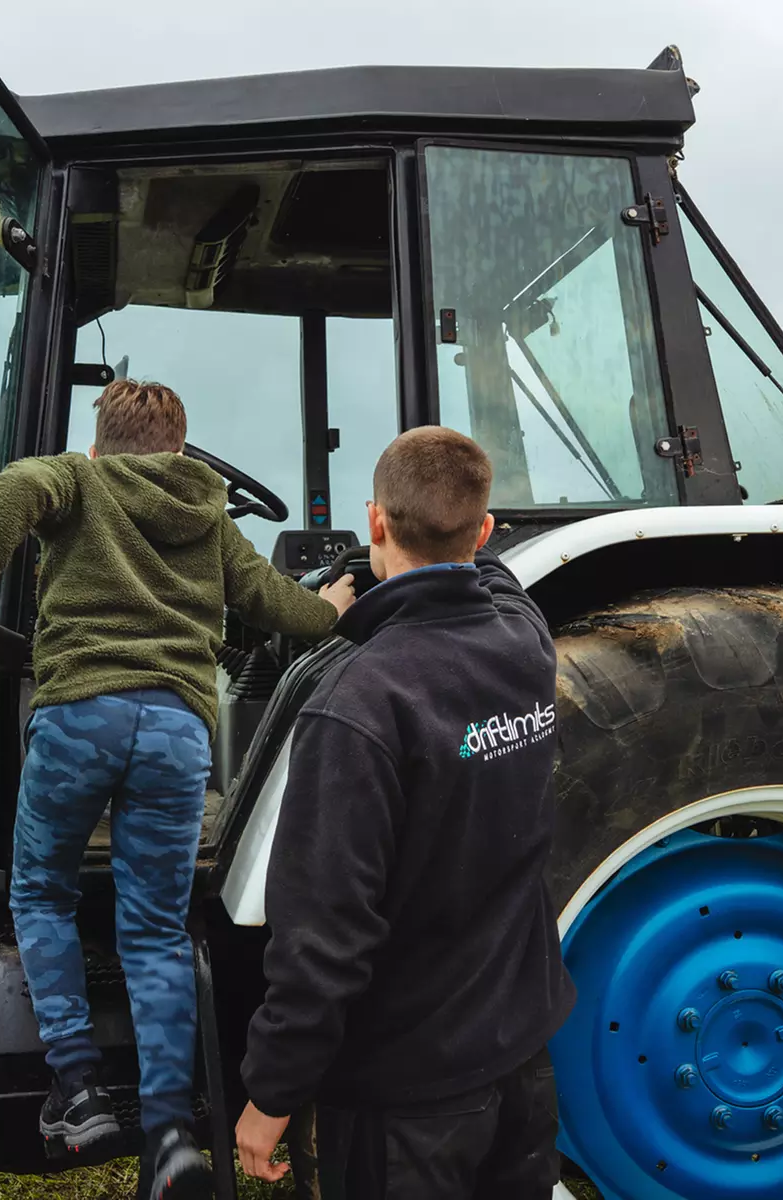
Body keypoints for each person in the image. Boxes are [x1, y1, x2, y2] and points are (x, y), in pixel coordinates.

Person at [0, 380, 355, 1198]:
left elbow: (17, 483)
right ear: (179, 449)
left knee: (42, 896)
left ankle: (78, 1090)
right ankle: (166, 1136)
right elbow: (270, 603)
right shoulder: (210, 514)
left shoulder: (78, 480)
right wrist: (328, 608)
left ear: (99, 444)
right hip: (175, 733)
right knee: (153, 929)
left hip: (81, 714)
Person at [232, 426, 574, 1199]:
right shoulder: (523, 642)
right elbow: (494, 582)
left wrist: (271, 1096)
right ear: (484, 531)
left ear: (375, 522)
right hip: (519, 1058)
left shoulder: (360, 705)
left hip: (409, 1099)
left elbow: (325, 934)